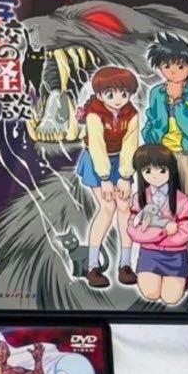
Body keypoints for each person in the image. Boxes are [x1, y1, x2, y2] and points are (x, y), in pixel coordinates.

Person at [142, 32, 188, 288]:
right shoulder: (155, 93)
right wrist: (152, 142)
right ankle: (178, 265)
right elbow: (151, 126)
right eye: (166, 66)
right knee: (167, 212)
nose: (172, 71)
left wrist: (178, 104)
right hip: (163, 161)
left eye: (180, 66)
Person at [74, 65, 140, 289]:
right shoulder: (94, 114)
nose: (118, 99)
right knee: (107, 207)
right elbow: (97, 146)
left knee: (125, 207)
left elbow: (130, 145)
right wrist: (104, 179)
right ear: (100, 95)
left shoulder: (132, 113)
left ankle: (125, 265)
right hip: (96, 161)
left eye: (124, 93)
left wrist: (125, 176)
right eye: (110, 94)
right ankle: (92, 266)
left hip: (121, 160)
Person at [127, 142, 188, 305]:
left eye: (162, 170)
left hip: (176, 255)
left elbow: (185, 233)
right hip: (149, 255)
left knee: (171, 299)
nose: (155, 176)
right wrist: (162, 232)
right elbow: (133, 231)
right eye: (148, 171)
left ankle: (184, 275)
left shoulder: (182, 200)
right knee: (150, 294)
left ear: (171, 170)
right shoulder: (138, 198)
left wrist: (151, 235)